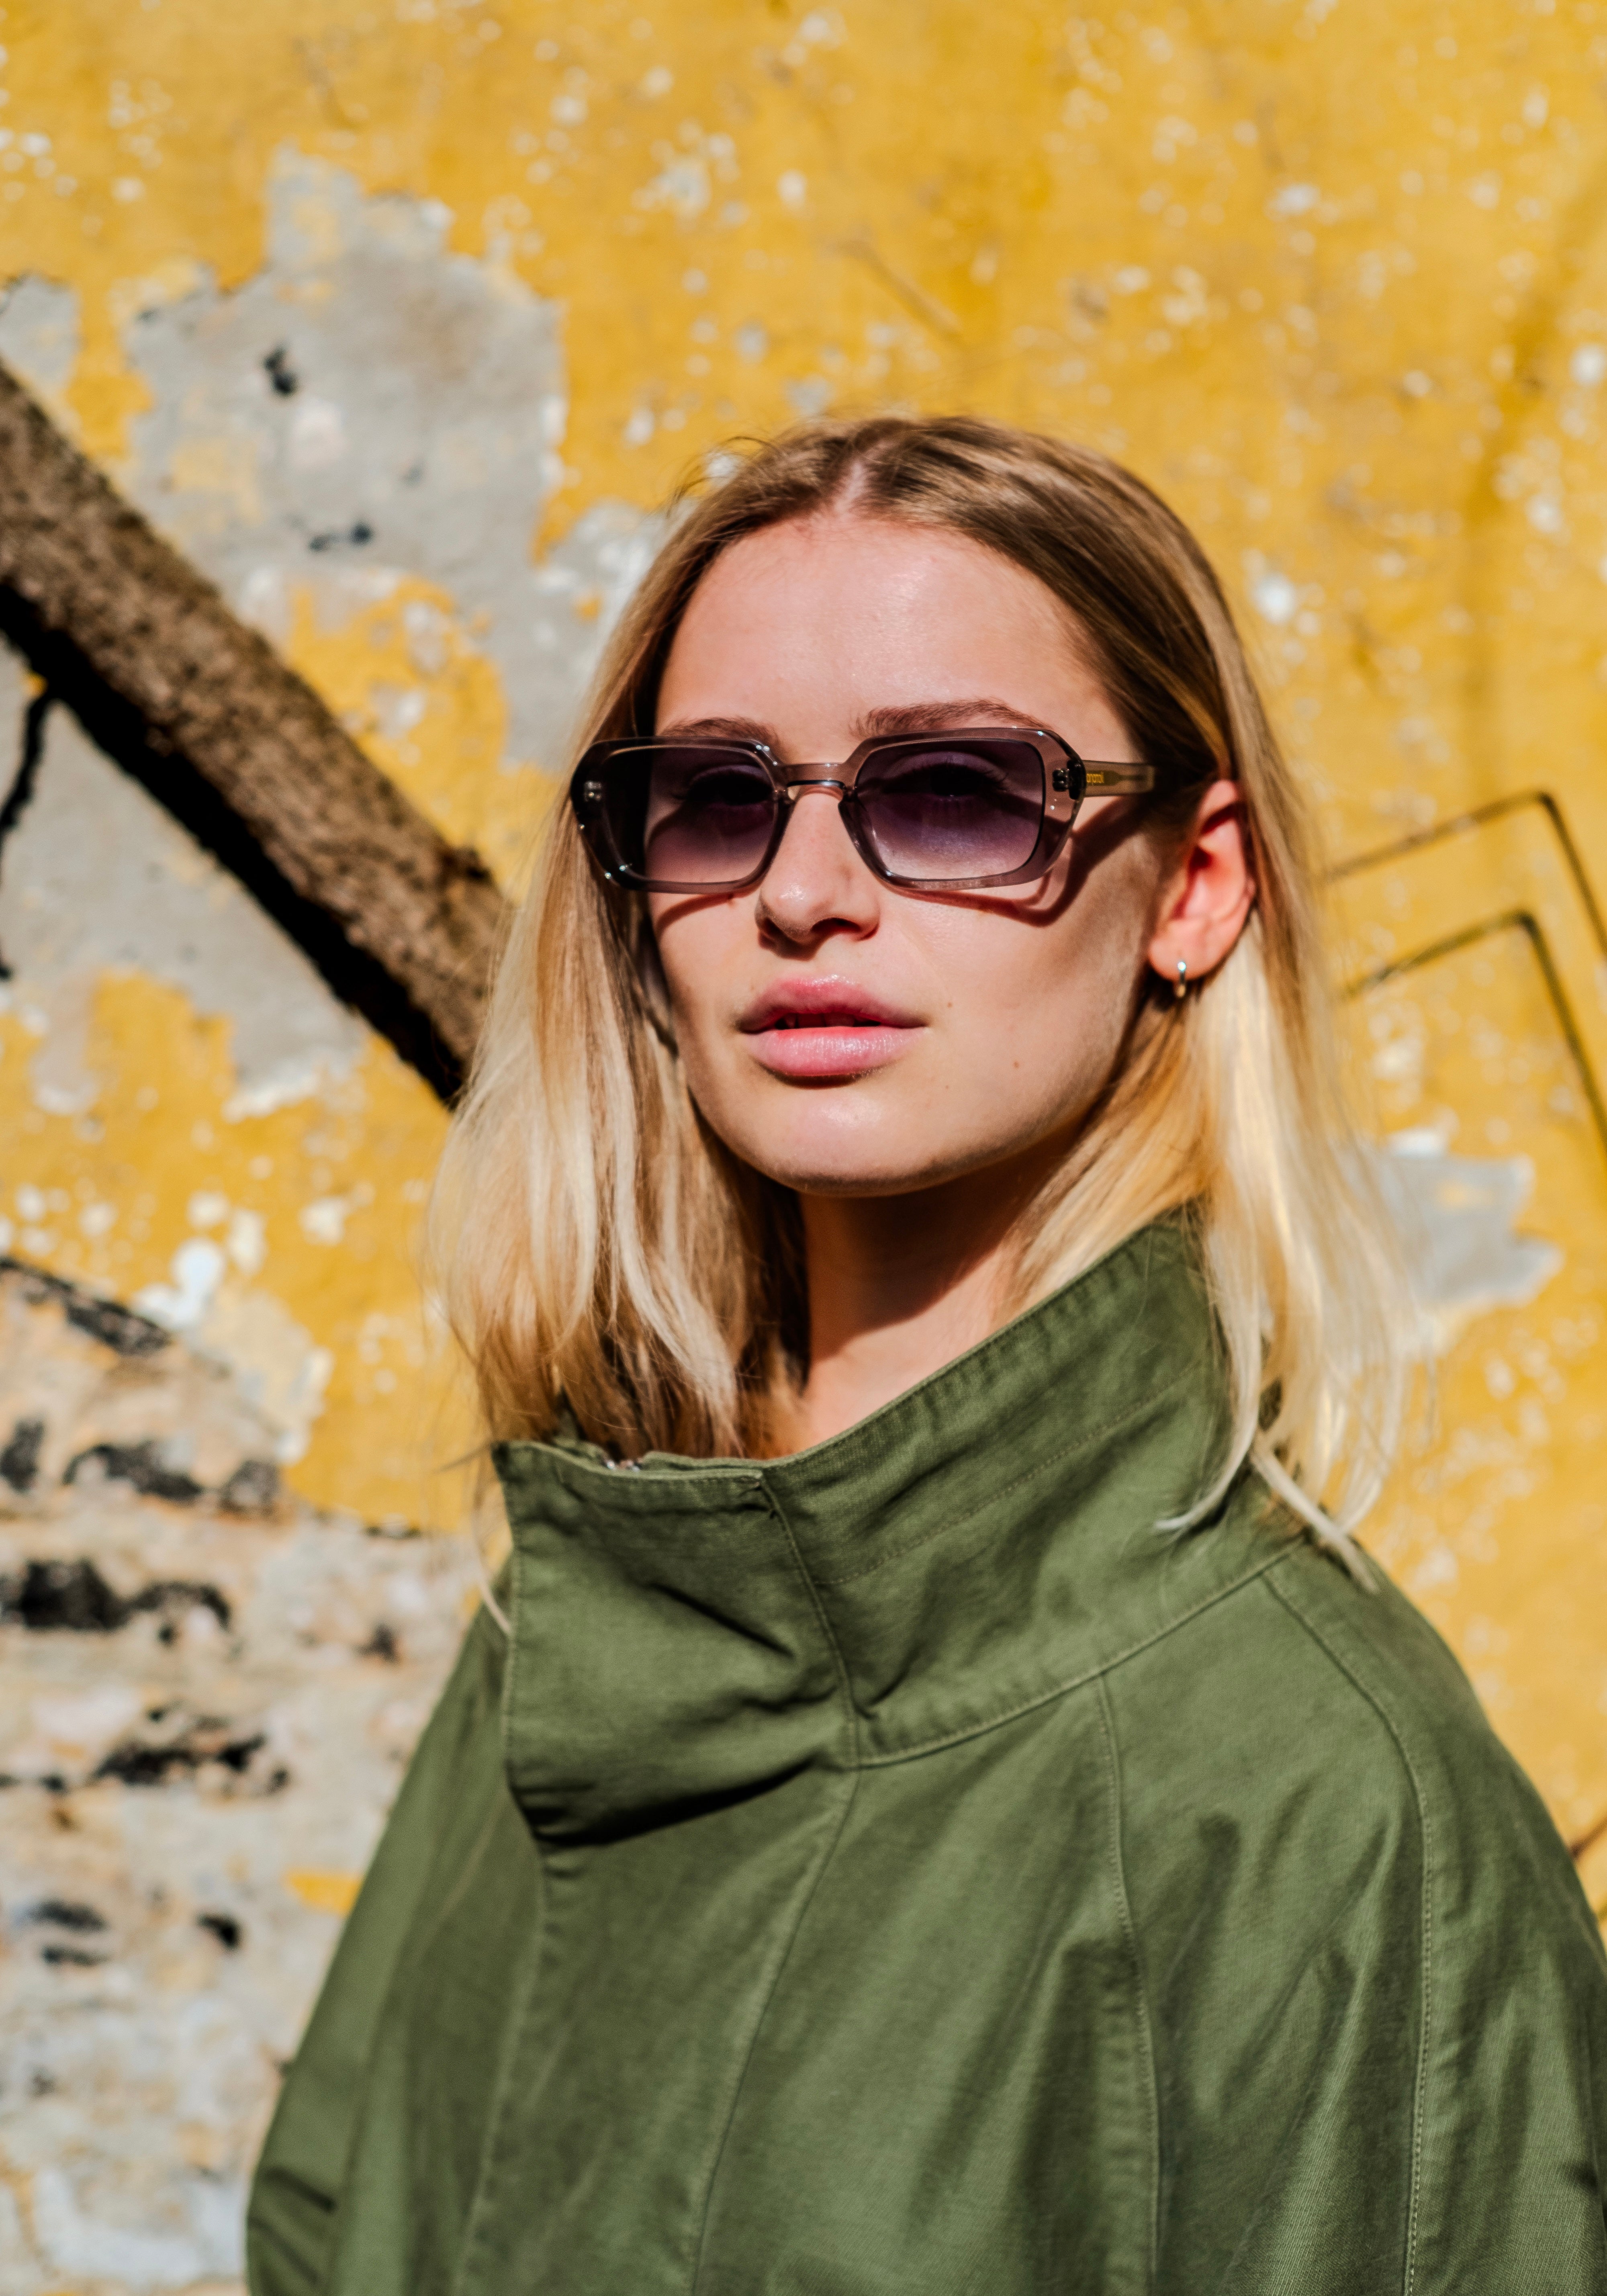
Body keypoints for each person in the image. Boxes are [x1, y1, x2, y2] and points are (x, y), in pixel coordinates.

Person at [247, 416, 1607, 2294]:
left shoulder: (1323, 1810)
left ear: (1195, 886)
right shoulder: (583, 1634)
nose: (805, 892)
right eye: (720, 798)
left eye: (956, 790)